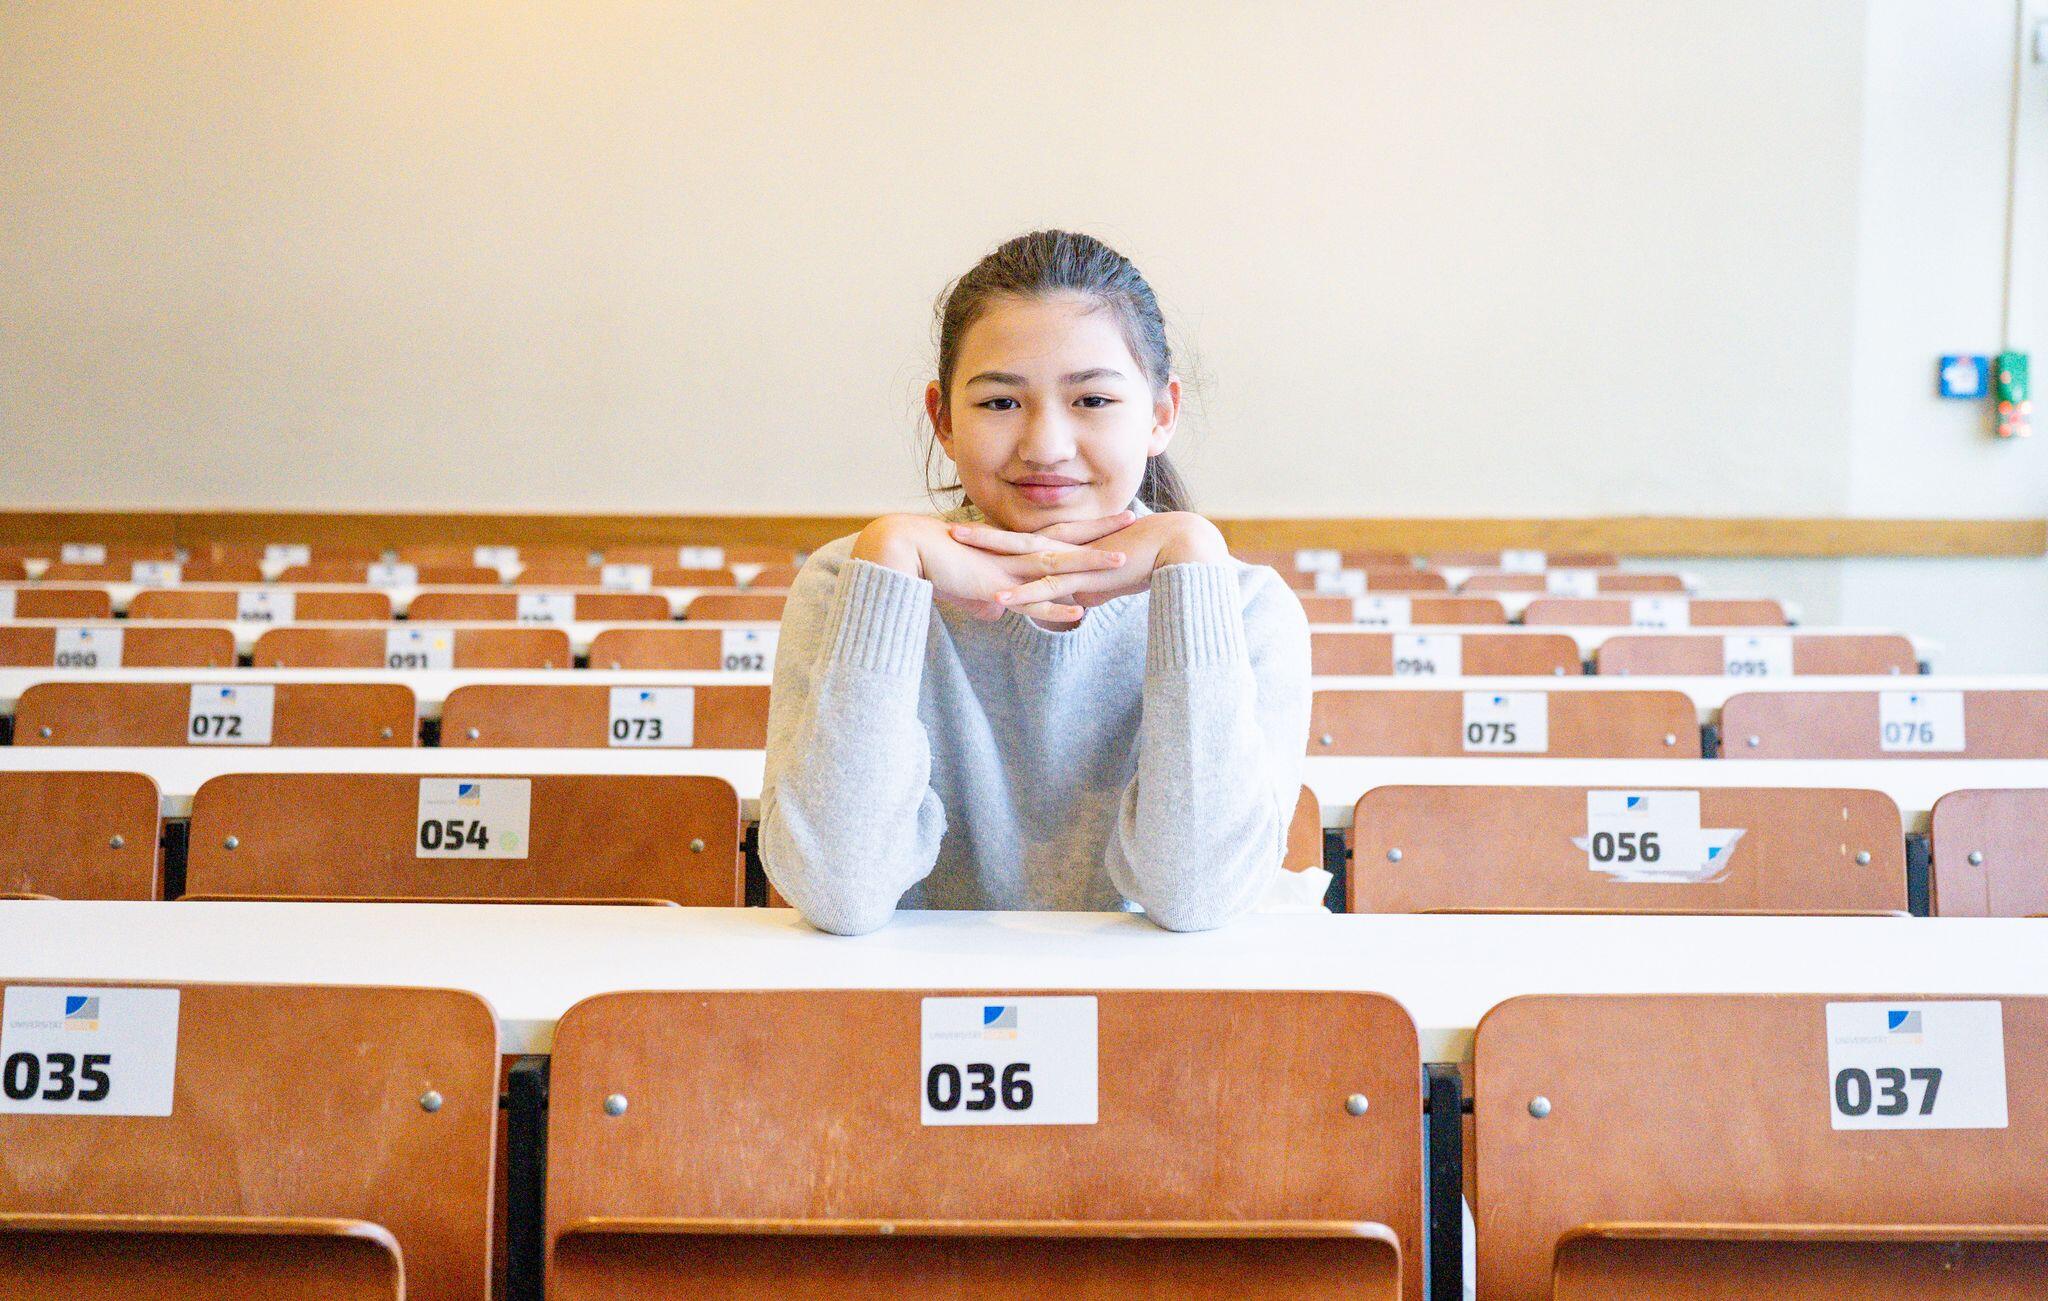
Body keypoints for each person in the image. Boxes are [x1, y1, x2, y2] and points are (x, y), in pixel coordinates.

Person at [759, 229, 1310, 935]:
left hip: (1155, 1003)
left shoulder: (1246, 606)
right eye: (1000, 403)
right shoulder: (852, 583)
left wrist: (1193, 556)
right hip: (912, 1000)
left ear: (1161, 415)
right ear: (943, 420)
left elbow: (1195, 896)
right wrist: (890, 555)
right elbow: (840, 893)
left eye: (1093, 400)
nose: (1046, 447)